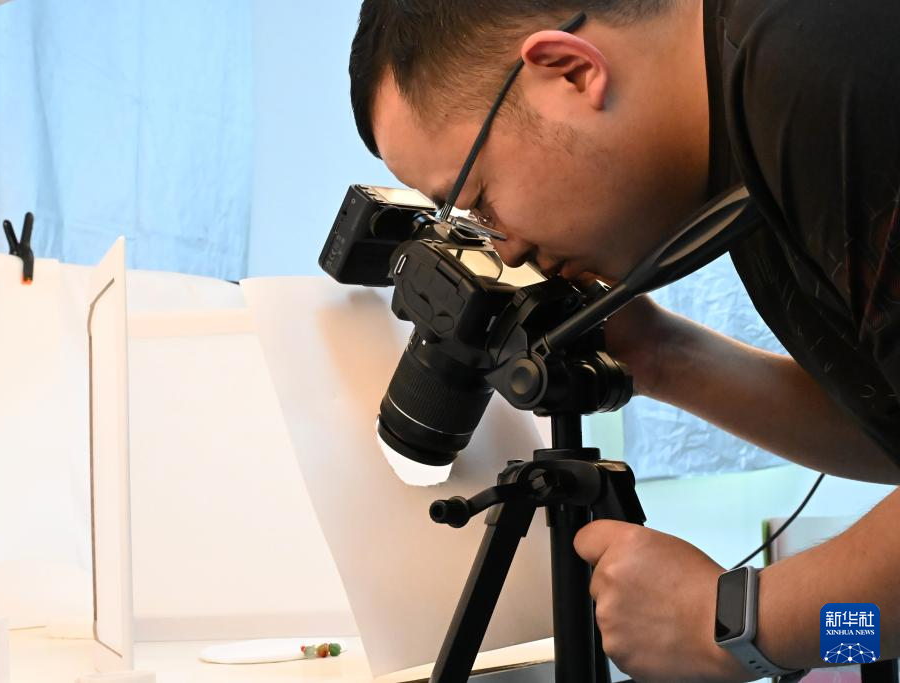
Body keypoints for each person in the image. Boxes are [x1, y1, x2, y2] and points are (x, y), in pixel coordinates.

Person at [347, 0, 900, 680]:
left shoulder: (822, 62)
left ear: (571, 71)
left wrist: (735, 624)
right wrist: (660, 355)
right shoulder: (746, 141)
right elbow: (888, 439)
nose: (505, 246)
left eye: (479, 200)